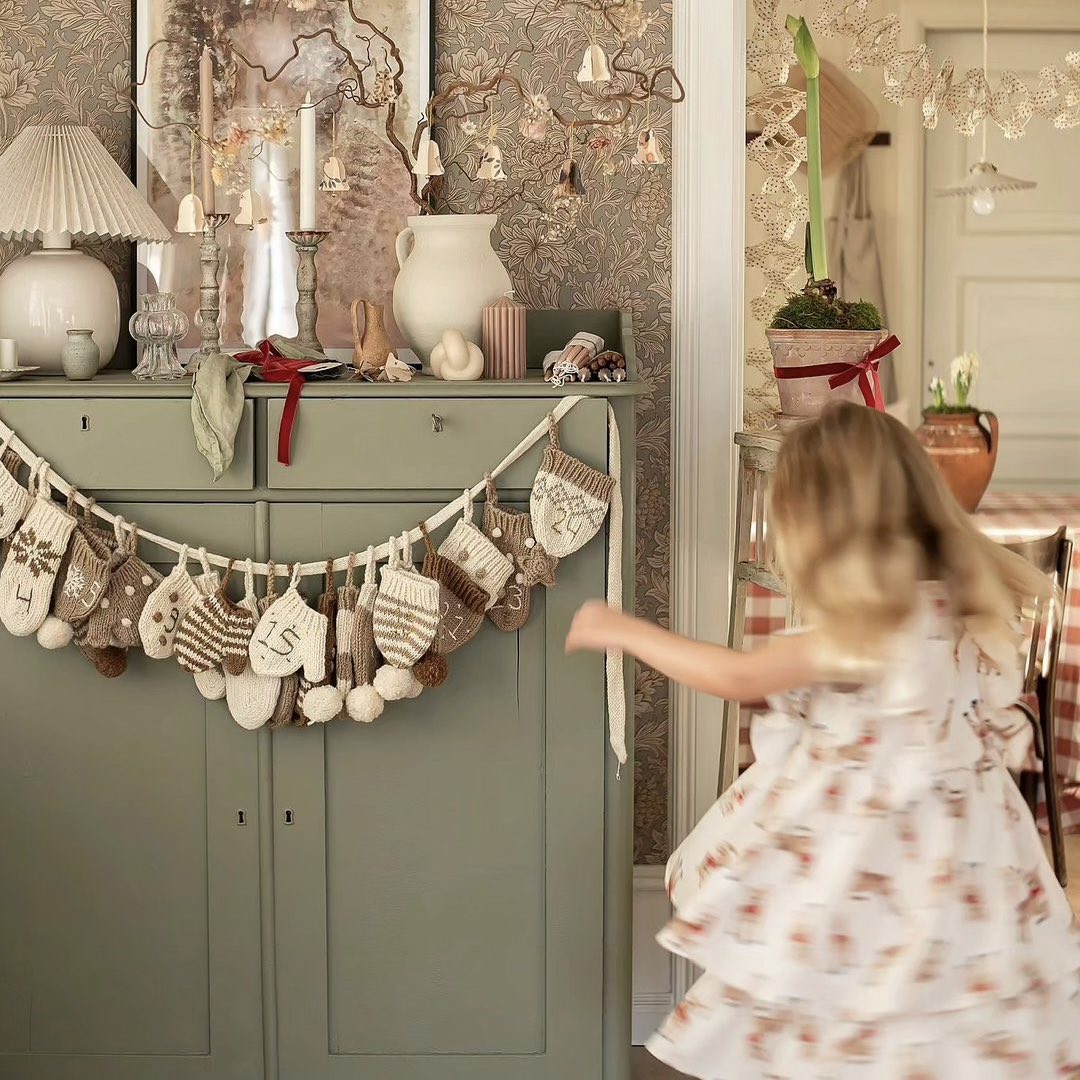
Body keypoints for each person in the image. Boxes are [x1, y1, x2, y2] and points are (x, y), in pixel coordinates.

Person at [567, 403, 1080, 1077]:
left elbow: (734, 675)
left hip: (862, 862)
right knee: (935, 1015)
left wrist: (620, 628)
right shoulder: (955, 613)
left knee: (832, 1000)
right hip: (961, 867)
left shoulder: (860, 634)